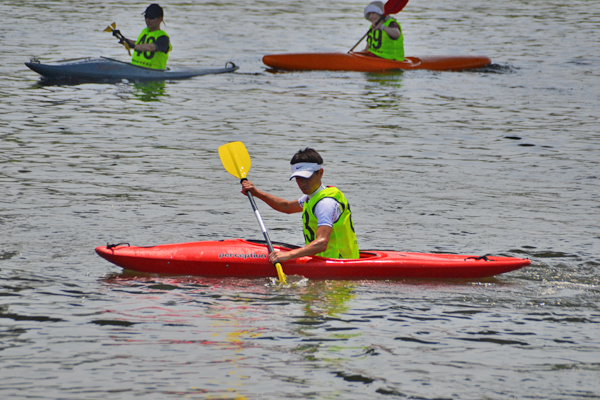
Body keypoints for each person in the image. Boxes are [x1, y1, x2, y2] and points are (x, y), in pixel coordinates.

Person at [241, 148, 359, 264]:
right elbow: (286, 207)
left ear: (320, 173)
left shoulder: (325, 203)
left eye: (306, 177)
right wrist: (256, 192)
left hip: (337, 265)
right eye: (298, 178)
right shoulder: (313, 197)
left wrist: (289, 255)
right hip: (325, 261)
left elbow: (322, 243)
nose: (302, 183)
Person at [114, 4, 172, 69]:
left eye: (151, 17)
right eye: (146, 17)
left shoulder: (163, 38)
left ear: (160, 19)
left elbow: (151, 47)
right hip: (135, 68)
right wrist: (123, 39)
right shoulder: (145, 31)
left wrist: (133, 46)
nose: (147, 20)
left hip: (153, 73)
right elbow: (139, 44)